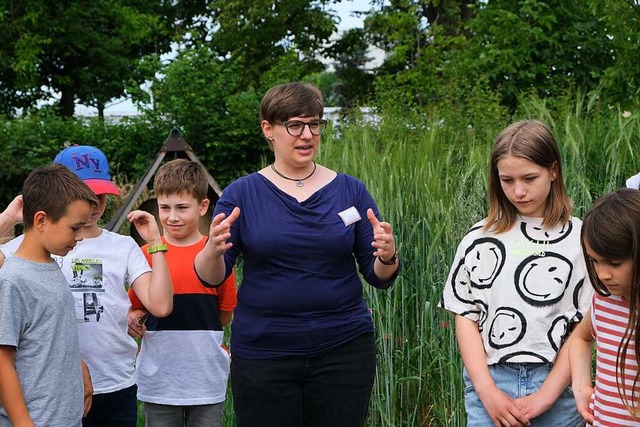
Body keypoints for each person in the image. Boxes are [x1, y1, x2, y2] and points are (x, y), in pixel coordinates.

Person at [193, 82, 400, 427]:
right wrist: (211, 249)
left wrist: (387, 256)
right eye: (295, 125)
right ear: (268, 129)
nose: (307, 135)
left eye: (314, 124)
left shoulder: (350, 190)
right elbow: (210, 276)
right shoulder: (242, 193)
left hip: (343, 349)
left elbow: (378, 277)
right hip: (264, 354)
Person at [0, 145, 174, 427]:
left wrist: (156, 243)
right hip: (46, 398)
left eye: (99, 195)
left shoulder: (119, 246)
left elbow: (161, 305)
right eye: (84, 192)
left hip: (112, 382)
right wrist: (9, 218)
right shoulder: (31, 250)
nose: (93, 203)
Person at [439, 120, 593, 426]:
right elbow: (465, 314)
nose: (518, 191)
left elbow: (583, 326)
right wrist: (487, 392)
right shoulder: (478, 238)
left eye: (529, 178)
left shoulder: (582, 239)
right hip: (490, 385)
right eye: (507, 180)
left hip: (560, 387)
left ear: (553, 170)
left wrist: (547, 394)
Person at [126, 159, 237, 426]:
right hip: (159, 379)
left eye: (182, 208)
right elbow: (135, 305)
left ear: (202, 207)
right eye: (165, 208)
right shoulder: (145, 255)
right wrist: (134, 314)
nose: (172, 217)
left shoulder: (216, 257)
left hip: (206, 377)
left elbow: (224, 315)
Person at [0, 164, 98, 426]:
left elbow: (46, 337)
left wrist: (79, 367)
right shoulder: (13, 280)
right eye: (74, 228)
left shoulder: (50, 265)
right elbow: (2, 362)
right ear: (41, 220)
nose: (79, 237)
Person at [569, 188, 640, 425]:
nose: (602, 274)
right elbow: (580, 338)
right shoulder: (603, 301)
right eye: (594, 261)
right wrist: (580, 386)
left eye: (614, 263)